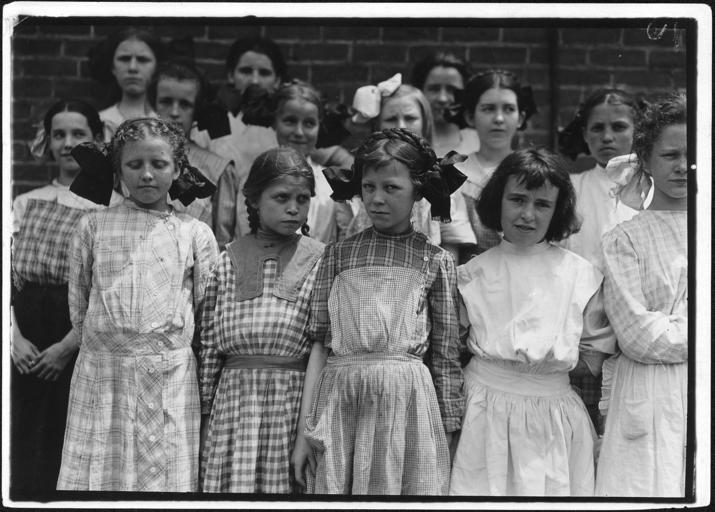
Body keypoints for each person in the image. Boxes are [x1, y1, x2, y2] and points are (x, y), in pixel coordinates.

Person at [292, 128, 465, 495]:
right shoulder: (337, 254)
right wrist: (305, 431)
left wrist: (448, 430)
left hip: (406, 405)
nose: (377, 198)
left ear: (418, 190)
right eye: (369, 187)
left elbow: (445, 355)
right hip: (342, 401)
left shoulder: (434, 260)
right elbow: (320, 344)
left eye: (391, 188)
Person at [56, 117, 219, 491]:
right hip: (103, 376)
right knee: (100, 476)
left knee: (164, 480)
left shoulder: (194, 233)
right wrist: (108, 345)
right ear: (118, 171)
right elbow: (79, 304)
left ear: (177, 169)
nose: (147, 174)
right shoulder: (92, 227)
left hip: (170, 378)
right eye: (134, 164)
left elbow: (207, 315)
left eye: (159, 164)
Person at [449, 148, 615, 496]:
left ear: (558, 210)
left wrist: (540, 371)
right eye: (517, 199)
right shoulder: (471, 275)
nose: (527, 214)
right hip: (482, 411)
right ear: (498, 200)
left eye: (542, 204)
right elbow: (452, 350)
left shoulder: (580, 275)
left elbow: (592, 356)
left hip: (552, 414)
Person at [10, 99, 122, 497]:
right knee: (21, 438)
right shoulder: (26, 201)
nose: (68, 143)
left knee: (63, 440)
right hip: (26, 340)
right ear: (48, 140)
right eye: (59, 134)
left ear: (97, 140)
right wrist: (13, 338)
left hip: (76, 338)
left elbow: (108, 289)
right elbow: (7, 280)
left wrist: (65, 347)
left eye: (79, 134)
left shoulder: (111, 208)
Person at [199, 147, 324, 493]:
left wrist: (309, 428)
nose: (293, 207)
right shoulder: (227, 260)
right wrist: (206, 416)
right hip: (233, 405)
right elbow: (208, 346)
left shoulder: (321, 260)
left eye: (302, 199)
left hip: (291, 404)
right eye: (281, 197)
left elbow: (323, 348)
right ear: (254, 200)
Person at [595, 92, 688, 497]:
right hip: (650, 390)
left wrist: (670, 324)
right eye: (670, 155)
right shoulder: (625, 239)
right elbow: (637, 335)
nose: (683, 166)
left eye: (694, 155)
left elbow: (658, 330)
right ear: (646, 160)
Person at [557, 88, 644, 432]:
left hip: (636, 339)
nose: (607, 137)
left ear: (638, 131)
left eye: (619, 127)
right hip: (584, 343)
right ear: (584, 134)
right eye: (597, 128)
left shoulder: (653, 191)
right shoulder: (571, 189)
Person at [345, 77, 476, 257]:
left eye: (410, 118)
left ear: (425, 122)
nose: (401, 126)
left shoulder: (442, 180)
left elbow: (451, 252)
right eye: (391, 119)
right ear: (377, 125)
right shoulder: (358, 179)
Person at [214, 80, 345, 248]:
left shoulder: (330, 184)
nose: (299, 132)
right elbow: (242, 233)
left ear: (320, 125)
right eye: (290, 121)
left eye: (309, 123)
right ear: (275, 122)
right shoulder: (256, 177)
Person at [453, 69, 537, 255]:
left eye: (508, 109)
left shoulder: (534, 173)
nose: (498, 119)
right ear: (470, 117)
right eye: (488, 109)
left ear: (520, 118)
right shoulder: (455, 174)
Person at [150, 60, 235, 229]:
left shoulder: (217, 169)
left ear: (196, 109)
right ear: (154, 104)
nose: (175, 112)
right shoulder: (131, 157)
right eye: (166, 102)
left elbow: (223, 238)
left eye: (185, 104)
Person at [197, 36, 284, 166]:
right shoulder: (211, 124)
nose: (255, 81)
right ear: (231, 75)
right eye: (246, 71)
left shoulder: (288, 126)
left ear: (277, 80)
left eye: (264, 73)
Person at [88, 26, 164, 140]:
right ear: (112, 67)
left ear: (156, 67)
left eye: (142, 59)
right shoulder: (100, 121)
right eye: (124, 59)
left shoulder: (165, 123)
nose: (132, 68)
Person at [411, 51, 479, 157]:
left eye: (452, 89)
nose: (442, 98)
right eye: (434, 89)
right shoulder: (409, 142)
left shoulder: (481, 142)